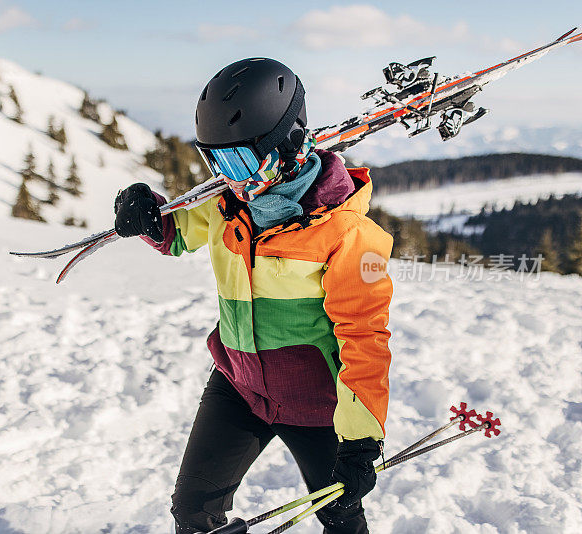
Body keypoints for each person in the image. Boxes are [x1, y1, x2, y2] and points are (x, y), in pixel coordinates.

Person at [113, 58, 393, 534]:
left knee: (340, 518)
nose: (231, 177)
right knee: (192, 512)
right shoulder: (228, 206)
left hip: (317, 406)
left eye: (239, 160)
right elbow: (176, 233)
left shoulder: (349, 235)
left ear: (287, 144)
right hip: (238, 387)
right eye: (215, 161)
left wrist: (360, 441)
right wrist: (145, 213)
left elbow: (363, 339)